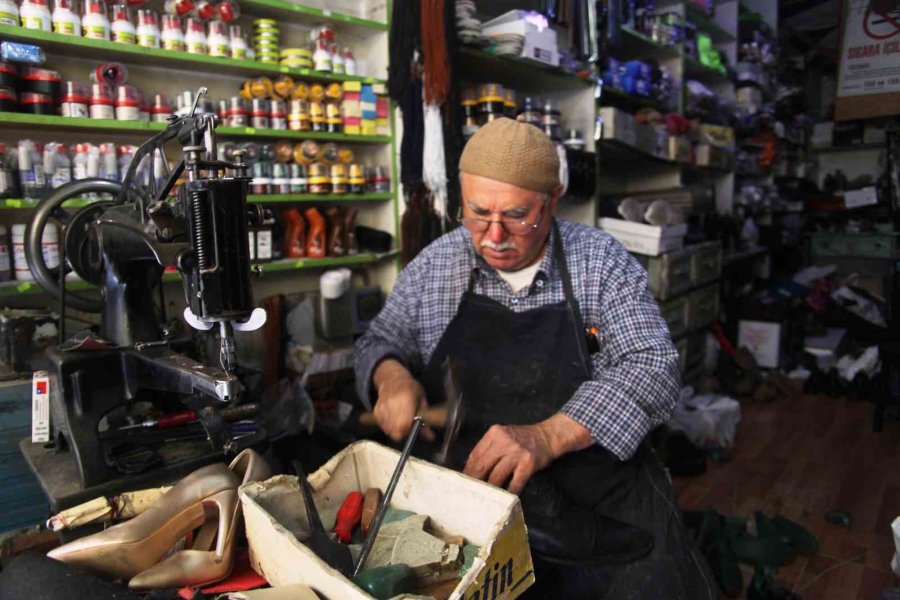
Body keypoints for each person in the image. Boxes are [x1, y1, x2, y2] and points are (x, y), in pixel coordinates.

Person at [354, 118, 716, 599]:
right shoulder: (437, 264)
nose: (494, 235)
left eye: (517, 215)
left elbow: (653, 365)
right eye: (477, 213)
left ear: (553, 199)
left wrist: (549, 434)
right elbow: (380, 339)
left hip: (597, 507)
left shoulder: (600, 262)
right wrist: (391, 376)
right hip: (474, 508)